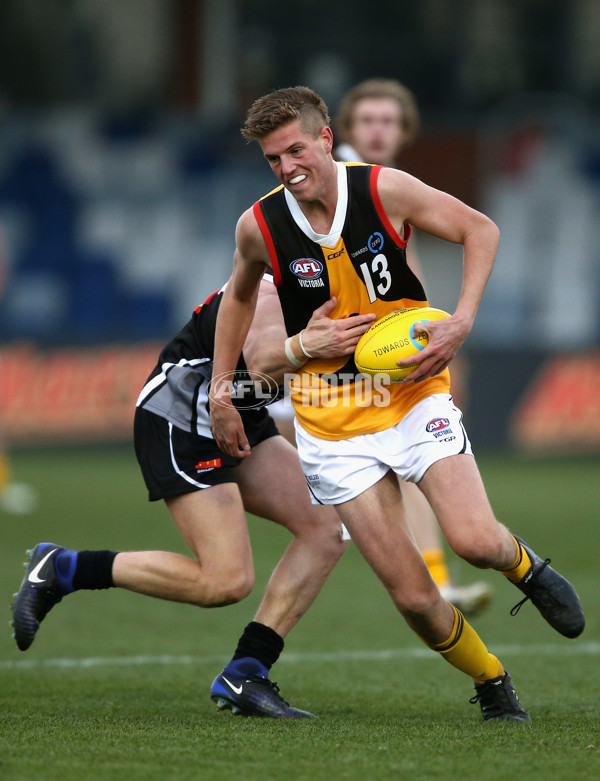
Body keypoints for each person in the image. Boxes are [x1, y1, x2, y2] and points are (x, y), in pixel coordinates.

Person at [208, 86, 585, 722]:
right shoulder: (259, 226)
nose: (287, 168)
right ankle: (494, 681)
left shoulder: (384, 189)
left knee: (471, 540)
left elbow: (479, 229)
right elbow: (238, 299)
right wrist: (224, 387)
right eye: (273, 159)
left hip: (410, 390)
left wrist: (461, 320)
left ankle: (524, 567)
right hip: (330, 420)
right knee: (412, 597)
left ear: (325, 139)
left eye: (296, 150)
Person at [11, 276, 376, 719]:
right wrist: (315, 351)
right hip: (182, 415)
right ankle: (64, 568)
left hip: (239, 412)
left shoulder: (345, 292)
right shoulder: (274, 293)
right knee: (225, 582)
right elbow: (264, 361)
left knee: (326, 526)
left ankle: (245, 672)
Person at [334, 77, 492, 615]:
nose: (378, 130)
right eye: (367, 120)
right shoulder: (352, 181)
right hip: (319, 351)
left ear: (405, 130)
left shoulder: (383, 183)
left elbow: (407, 280)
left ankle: (436, 577)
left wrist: (437, 338)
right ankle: (438, 579)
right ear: (345, 130)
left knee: (358, 489)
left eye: (389, 121)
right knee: (409, 460)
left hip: (344, 349)